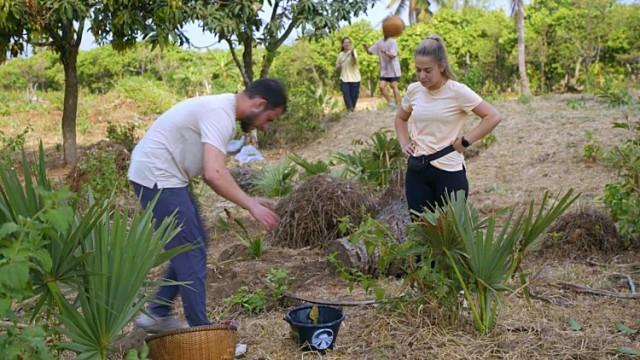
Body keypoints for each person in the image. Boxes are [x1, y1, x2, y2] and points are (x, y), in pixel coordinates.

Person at [129, 78, 286, 333]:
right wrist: (250, 206)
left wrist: (250, 200)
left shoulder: (222, 109)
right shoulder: (220, 114)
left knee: (193, 242)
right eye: (269, 119)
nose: (266, 127)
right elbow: (213, 173)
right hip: (158, 176)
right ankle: (203, 333)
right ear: (259, 104)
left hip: (165, 175)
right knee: (190, 250)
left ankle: (157, 312)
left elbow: (213, 172)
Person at [395, 35, 501, 215]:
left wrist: (466, 141)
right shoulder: (414, 90)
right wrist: (404, 143)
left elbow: (493, 116)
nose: (422, 76)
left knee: (451, 233)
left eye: (428, 70)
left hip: (448, 171)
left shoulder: (457, 91)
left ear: (441, 66)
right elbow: (400, 118)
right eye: (418, 70)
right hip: (417, 171)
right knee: (421, 231)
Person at [363, 34, 401, 108]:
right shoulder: (379, 42)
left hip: (393, 68)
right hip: (384, 70)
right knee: (381, 87)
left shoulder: (393, 41)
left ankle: (399, 105)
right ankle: (391, 103)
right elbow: (370, 52)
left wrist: (385, 52)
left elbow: (393, 55)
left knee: (394, 86)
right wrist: (366, 48)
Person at [336, 37, 361, 112]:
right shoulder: (340, 54)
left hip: (355, 78)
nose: (347, 44)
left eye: (348, 42)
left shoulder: (354, 52)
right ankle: (350, 109)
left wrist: (352, 55)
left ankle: (351, 109)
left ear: (350, 44)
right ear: (342, 44)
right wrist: (338, 66)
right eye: (345, 42)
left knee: (354, 96)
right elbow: (337, 66)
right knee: (345, 93)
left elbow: (355, 62)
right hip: (344, 78)